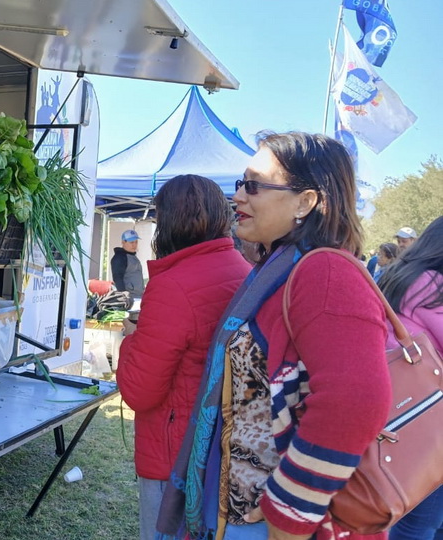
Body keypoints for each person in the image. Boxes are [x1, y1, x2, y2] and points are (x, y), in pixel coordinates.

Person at [157, 132, 392, 540]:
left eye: (254, 185)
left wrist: (288, 515)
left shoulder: (326, 274)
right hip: (240, 507)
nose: (238, 197)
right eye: (239, 184)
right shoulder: (277, 273)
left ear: (306, 201)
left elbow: (356, 401)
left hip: (273, 523)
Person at [116, 175, 251, 540]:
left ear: (168, 221)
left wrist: (130, 340)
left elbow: (140, 392)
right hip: (219, 447)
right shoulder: (241, 268)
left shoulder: (173, 283)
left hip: (174, 453)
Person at [378, 216, 443, 540]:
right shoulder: (435, 287)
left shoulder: (396, 275)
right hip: (432, 417)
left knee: (408, 511)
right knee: (423, 523)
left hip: (399, 409)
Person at [110, 229, 145, 300]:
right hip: (129, 297)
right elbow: (117, 278)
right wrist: (124, 296)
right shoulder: (119, 257)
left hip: (137, 296)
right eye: (131, 242)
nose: (134, 245)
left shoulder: (132, 256)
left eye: (136, 242)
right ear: (123, 242)